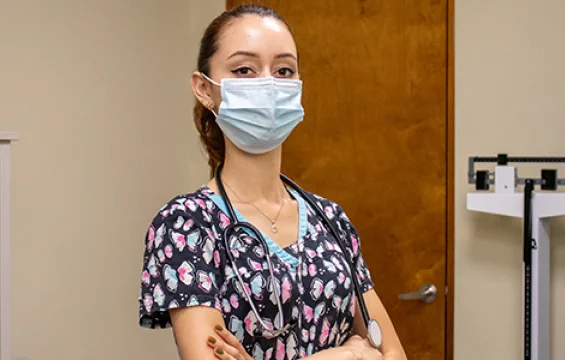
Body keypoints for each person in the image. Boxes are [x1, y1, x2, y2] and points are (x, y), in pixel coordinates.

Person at [138, 4, 407, 360]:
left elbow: (394, 355)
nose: (268, 84)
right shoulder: (186, 225)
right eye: (244, 69)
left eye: (283, 70)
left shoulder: (330, 219)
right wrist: (345, 355)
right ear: (204, 89)